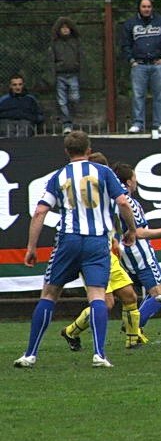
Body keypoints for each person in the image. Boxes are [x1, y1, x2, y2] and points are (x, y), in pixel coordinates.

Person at [14, 131, 137, 369]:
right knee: (98, 296)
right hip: (97, 241)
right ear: (89, 150)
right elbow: (122, 202)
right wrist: (130, 230)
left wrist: (31, 247)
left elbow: (40, 211)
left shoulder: (59, 175)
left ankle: (30, 354)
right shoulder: (103, 172)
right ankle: (99, 354)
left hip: (67, 240)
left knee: (49, 294)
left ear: (66, 152)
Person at [60, 152, 143, 351]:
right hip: (91, 252)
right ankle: (71, 331)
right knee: (105, 304)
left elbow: (113, 215)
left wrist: (114, 237)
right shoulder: (84, 195)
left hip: (108, 252)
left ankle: (133, 340)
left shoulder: (108, 192)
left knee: (130, 296)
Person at [111, 162, 161, 333]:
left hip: (124, 255)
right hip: (140, 254)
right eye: (134, 178)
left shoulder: (111, 201)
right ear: (129, 182)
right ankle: (133, 326)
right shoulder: (129, 202)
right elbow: (139, 233)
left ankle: (134, 326)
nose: (136, 181)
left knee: (143, 294)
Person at [121, 0, 161, 134]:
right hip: (139, 65)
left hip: (157, 64)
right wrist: (132, 60)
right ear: (139, 8)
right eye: (144, 6)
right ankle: (138, 123)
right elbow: (125, 44)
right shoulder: (130, 24)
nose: (146, 9)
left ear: (152, 8)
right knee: (138, 95)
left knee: (159, 95)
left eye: (149, 6)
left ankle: (160, 123)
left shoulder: (160, 21)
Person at [48, 17, 84, 134]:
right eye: (62, 28)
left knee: (75, 98)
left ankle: (72, 118)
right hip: (60, 75)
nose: (65, 30)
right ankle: (67, 123)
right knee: (62, 101)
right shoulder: (55, 44)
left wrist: (79, 68)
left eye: (67, 27)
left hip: (73, 73)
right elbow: (51, 60)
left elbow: (82, 57)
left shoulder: (76, 42)